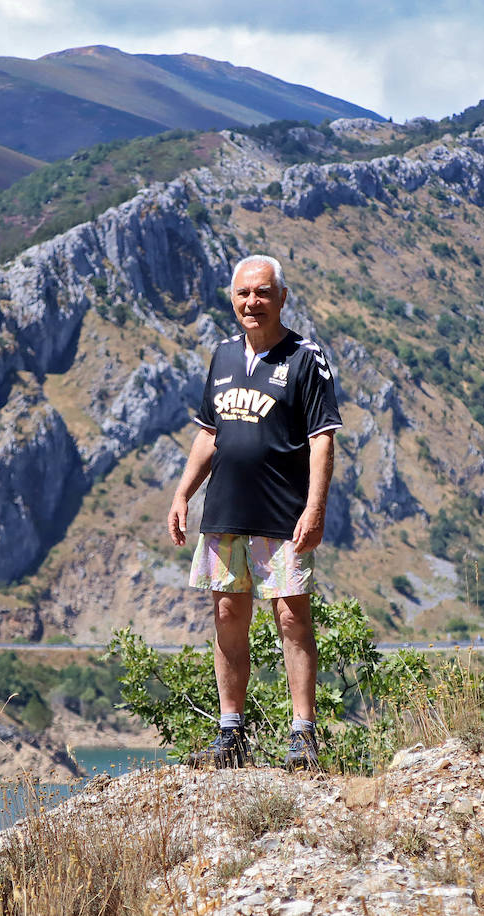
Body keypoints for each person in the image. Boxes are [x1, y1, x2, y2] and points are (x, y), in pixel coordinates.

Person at [166, 254, 341, 770]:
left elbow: (322, 440)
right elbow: (209, 434)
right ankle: (230, 732)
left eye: (263, 293)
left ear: (281, 297)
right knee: (226, 614)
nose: (252, 302)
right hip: (225, 512)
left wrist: (315, 507)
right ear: (232, 298)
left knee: (292, 617)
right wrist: (182, 494)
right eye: (244, 293)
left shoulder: (307, 358)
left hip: (284, 516)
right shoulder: (221, 357)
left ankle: (304, 735)